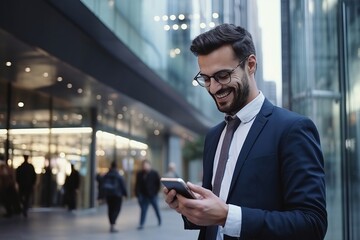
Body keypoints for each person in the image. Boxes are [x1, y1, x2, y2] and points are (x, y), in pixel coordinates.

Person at [163, 23, 327, 240]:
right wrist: (190, 209)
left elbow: (312, 224)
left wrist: (227, 216)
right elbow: (212, 216)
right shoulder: (213, 137)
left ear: (250, 64)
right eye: (206, 78)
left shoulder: (292, 129)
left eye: (222, 75)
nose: (213, 88)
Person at [135, 159, 162, 230]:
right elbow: (137, 185)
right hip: (144, 195)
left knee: (156, 208)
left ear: (149, 165)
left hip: (152, 195)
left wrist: (155, 192)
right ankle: (141, 224)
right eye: (144, 165)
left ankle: (159, 220)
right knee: (143, 210)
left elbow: (158, 184)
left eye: (146, 165)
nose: (145, 167)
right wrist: (138, 194)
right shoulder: (140, 174)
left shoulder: (154, 173)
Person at [102, 161, 128, 233]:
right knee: (117, 209)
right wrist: (125, 194)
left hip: (109, 195)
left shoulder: (107, 174)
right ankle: (113, 223)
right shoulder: (118, 174)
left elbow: (102, 182)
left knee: (110, 209)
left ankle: (111, 223)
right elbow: (123, 185)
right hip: (117, 195)